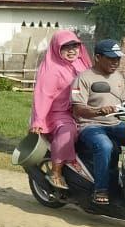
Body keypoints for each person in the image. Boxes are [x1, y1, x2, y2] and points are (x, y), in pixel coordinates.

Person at [71, 39, 125, 205]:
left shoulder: (118, 77)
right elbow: (78, 109)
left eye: (118, 58)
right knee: (105, 146)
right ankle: (101, 189)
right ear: (97, 57)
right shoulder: (83, 78)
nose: (115, 62)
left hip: (115, 123)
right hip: (90, 125)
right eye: (111, 58)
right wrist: (98, 111)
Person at [31, 31, 91, 189]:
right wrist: (38, 120)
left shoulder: (82, 64)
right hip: (59, 113)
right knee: (67, 132)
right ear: (57, 48)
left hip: (83, 111)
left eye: (74, 45)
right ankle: (56, 172)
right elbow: (43, 96)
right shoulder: (52, 70)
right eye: (65, 47)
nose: (71, 50)